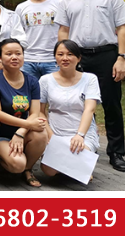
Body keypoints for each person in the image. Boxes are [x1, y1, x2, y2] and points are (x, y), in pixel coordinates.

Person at [55, 0, 125, 172]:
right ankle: (86, 146)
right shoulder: (67, 1)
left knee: (111, 103)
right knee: (79, 104)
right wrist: (64, 57)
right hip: (77, 56)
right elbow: (63, 30)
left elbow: (123, 28)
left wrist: (121, 58)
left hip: (107, 55)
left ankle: (116, 153)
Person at [0, 38, 48, 188]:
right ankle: (3, 159)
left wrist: (21, 132)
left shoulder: (32, 81)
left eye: (18, 53)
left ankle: (28, 169)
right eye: (9, 54)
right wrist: (27, 124)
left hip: (22, 133)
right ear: (0, 58)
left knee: (41, 134)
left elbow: (35, 113)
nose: (14, 57)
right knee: (16, 165)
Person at [39, 40, 101, 179]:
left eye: (70, 54)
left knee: (79, 150)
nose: (65, 58)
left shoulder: (90, 79)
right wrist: (50, 135)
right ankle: (78, 169)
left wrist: (80, 135)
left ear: (79, 58)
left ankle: (76, 166)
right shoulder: (45, 80)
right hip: (56, 132)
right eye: (60, 54)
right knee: (48, 170)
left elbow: (89, 110)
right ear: (55, 57)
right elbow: (40, 111)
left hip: (82, 132)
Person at [15, 0, 62, 79]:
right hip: (28, 60)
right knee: (29, 88)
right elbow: (17, 33)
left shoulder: (60, 3)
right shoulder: (21, 7)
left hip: (53, 59)